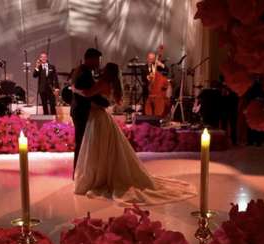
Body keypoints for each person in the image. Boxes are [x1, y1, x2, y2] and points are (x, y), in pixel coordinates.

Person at [73, 62, 197, 206]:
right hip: (103, 117)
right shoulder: (112, 84)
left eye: (104, 69)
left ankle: (98, 178)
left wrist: (74, 89)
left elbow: (87, 93)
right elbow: (113, 101)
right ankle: (103, 175)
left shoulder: (102, 83)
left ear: (107, 72)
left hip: (97, 118)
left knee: (97, 148)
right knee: (106, 149)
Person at [71, 48, 109, 176]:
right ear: (91, 59)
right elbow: (90, 94)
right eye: (98, 60)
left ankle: (79, 171)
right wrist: (105, 103)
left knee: (81, 142)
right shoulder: (85, 73)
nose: (99, 63)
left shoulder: (80, 70)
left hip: (78, 110)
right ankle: (79, 172)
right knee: (82, 142)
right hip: (82, 111)